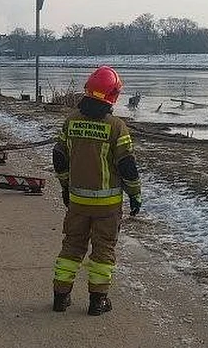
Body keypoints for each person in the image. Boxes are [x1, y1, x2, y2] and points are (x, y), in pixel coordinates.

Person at [50, 65, 142, 316]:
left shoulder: (71, 122)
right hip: (108, 206)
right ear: (113, 96)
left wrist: (65, 186)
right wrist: (135, 194)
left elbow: (59, 156)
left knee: (71, 247)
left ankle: (61, 297)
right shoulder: (116, 127)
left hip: (78, 201)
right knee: (103, 252)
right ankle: (97, 302)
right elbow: (127, 166)